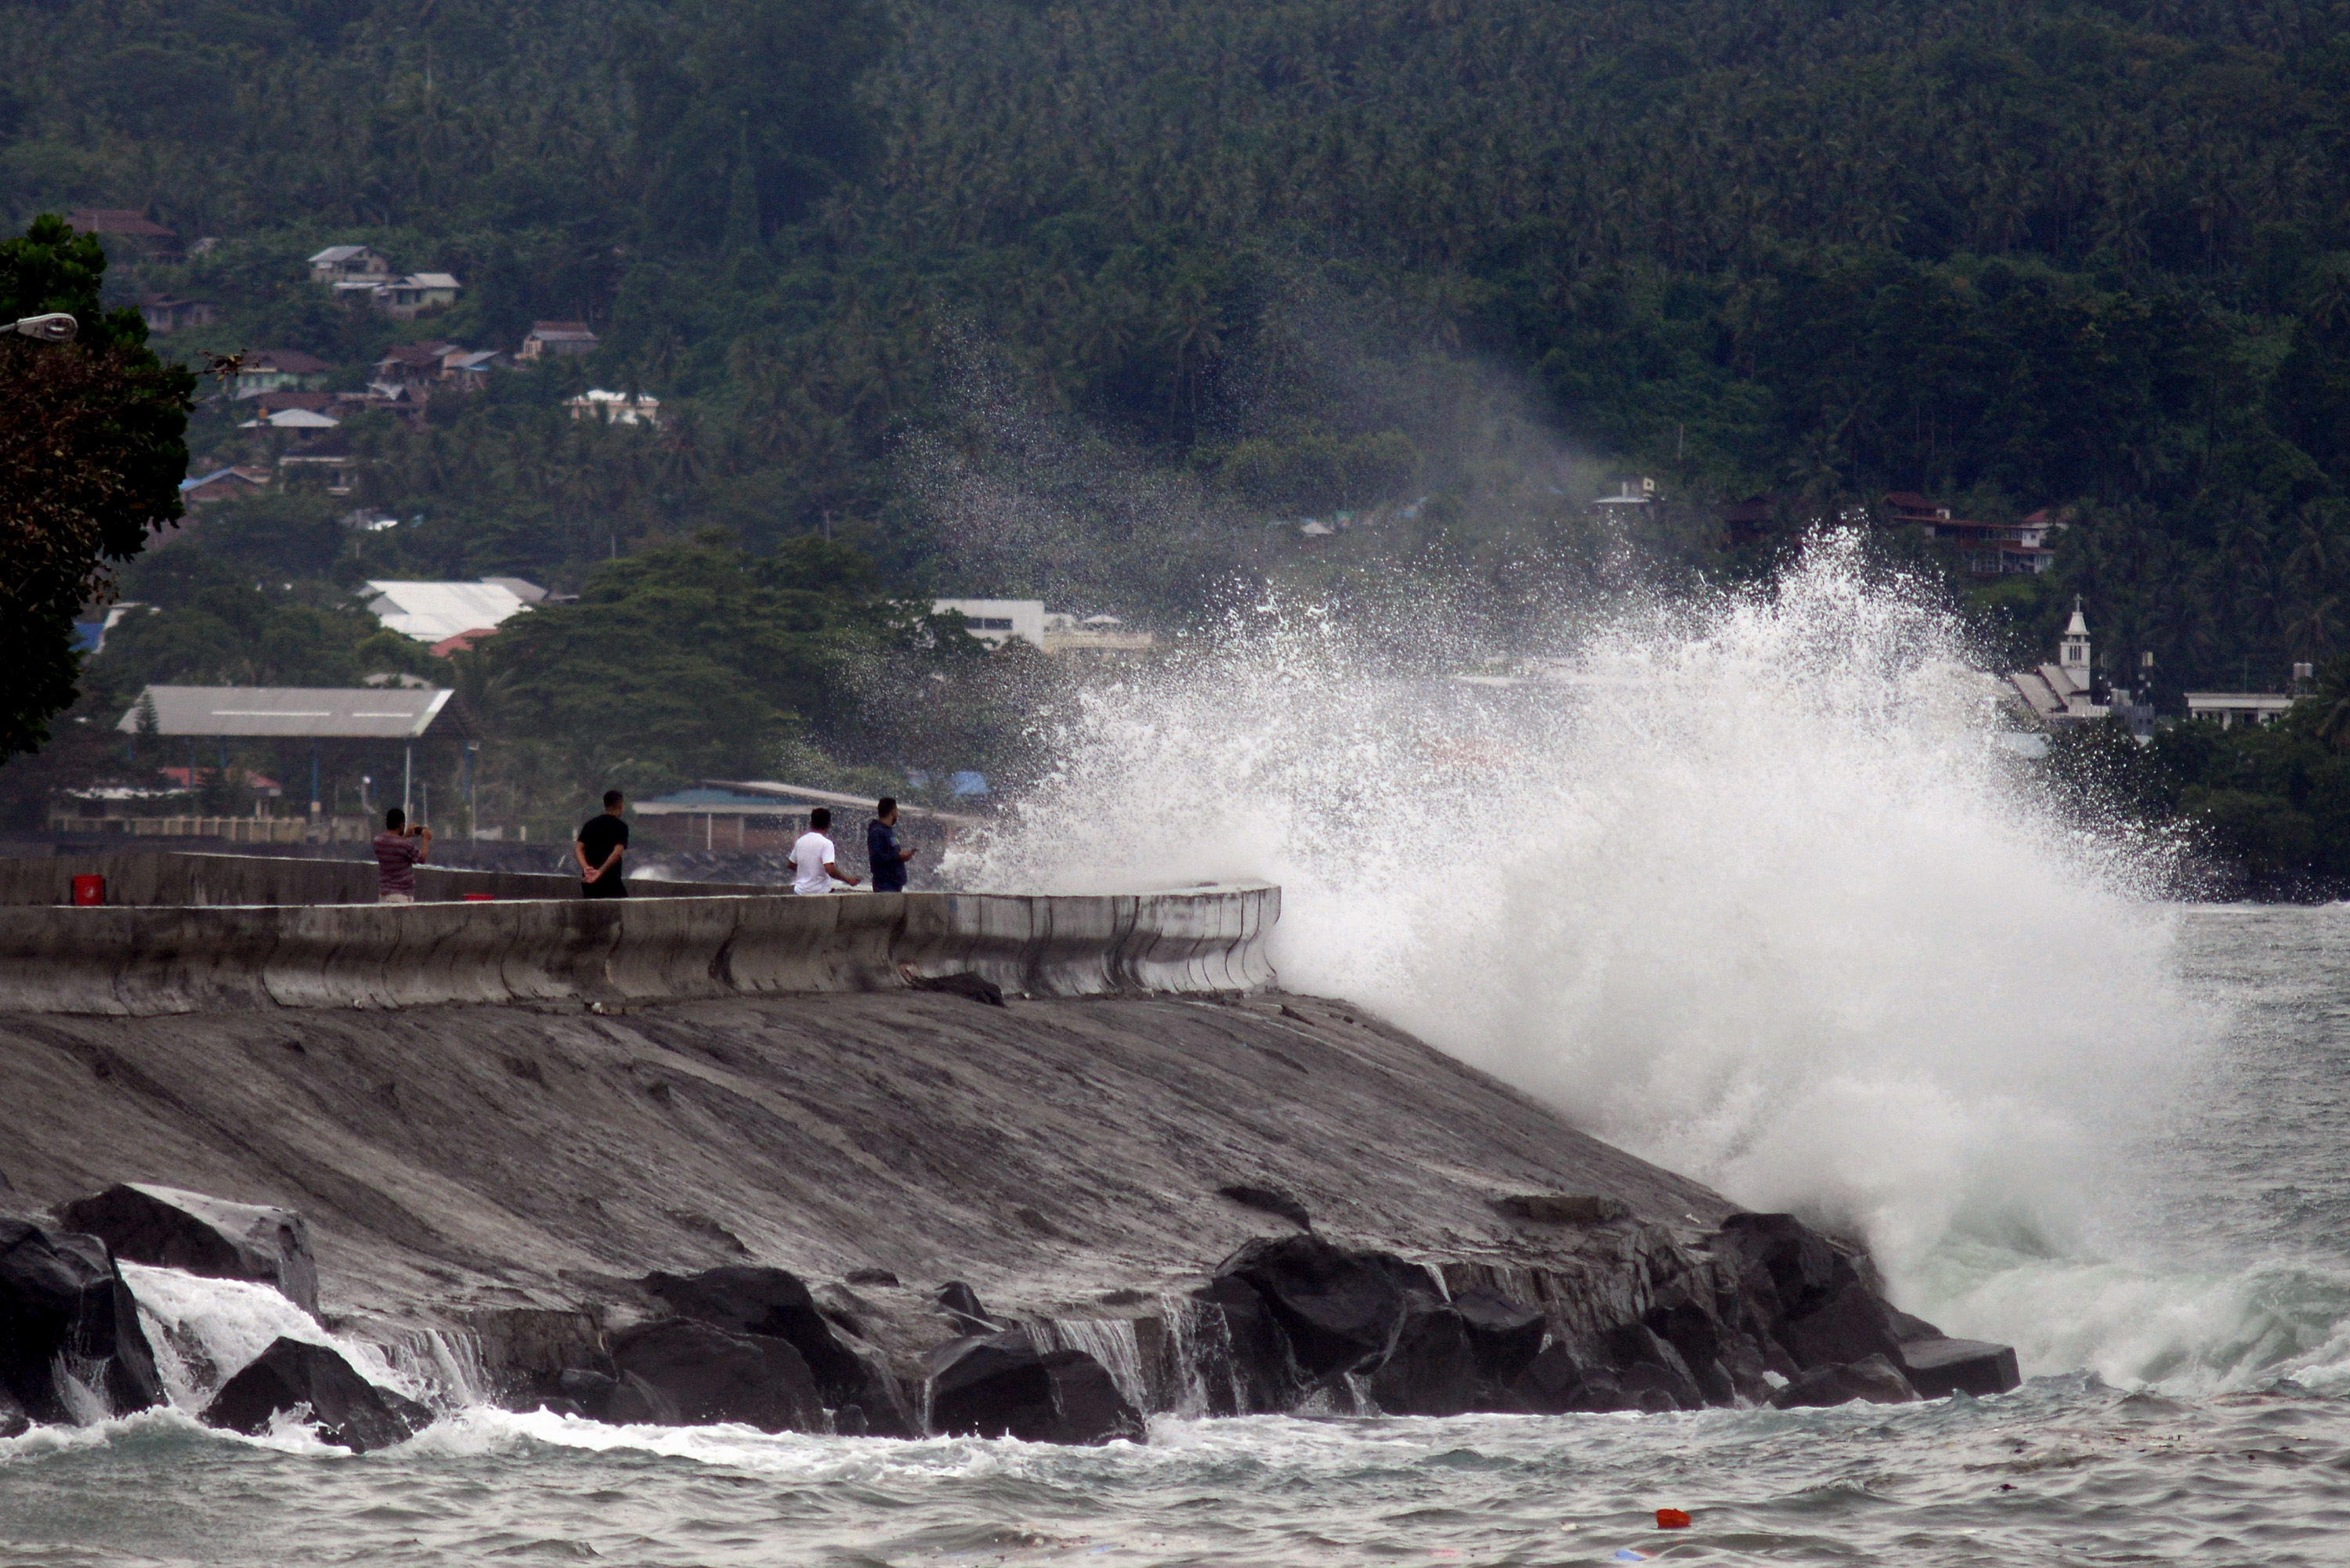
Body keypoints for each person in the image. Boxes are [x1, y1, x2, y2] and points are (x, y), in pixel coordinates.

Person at [791, 807, 860, 894]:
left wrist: (807, 872)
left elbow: (791, 864)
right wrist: (848, 880)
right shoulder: (826, 843)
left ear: (811, 823)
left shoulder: (800, 841)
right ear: (829, 825)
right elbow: (830, 870)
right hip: (819, 893)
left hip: (799, 892)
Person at [576, 789, 629, 898]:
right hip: (611, 882)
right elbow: (617, 852)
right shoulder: (621, 827)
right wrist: (600, 872)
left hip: (589, 882)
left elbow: (578, 849)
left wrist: (586, 868)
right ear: (621, 806)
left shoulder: (590, 824)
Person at [373, 807, 429, 904]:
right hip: (401, 896)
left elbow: (393, 844)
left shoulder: (378, 841)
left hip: (384, 895)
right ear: (401, 824)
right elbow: (421, 858)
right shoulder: (404, 844)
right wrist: (426, 839)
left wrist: (406, 836)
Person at [866, 797, 916, 893]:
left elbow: (892, 854)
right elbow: (877, 858)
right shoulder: (877, 832)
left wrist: (903, 856)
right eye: (897, 811)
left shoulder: (889, 831)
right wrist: (898, 857)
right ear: (893, 812)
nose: (897, 815)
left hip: (895, 884)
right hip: (885, 884)